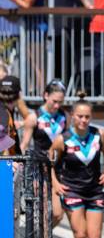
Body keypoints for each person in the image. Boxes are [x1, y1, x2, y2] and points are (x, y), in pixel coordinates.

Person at [49, 95, 104, 238]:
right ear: (72, 116)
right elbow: (49, 163)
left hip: (94, 191)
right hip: (72, 191)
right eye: (79, 116)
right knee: (79, 234)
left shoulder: (100, 135)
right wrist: (55, 184)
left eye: (87, 116)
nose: (83, 120)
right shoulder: (63, 140)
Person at [21, 79, 70, 230]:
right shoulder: (34, 117)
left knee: (57, 214)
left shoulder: (64, 116)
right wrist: (23, 167)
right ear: (45, 95)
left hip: (58, 169)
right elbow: (24, 145)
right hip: (39, 168)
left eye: (60, 102)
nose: (57, 106)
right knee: (44, 212)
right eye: (54, 101)